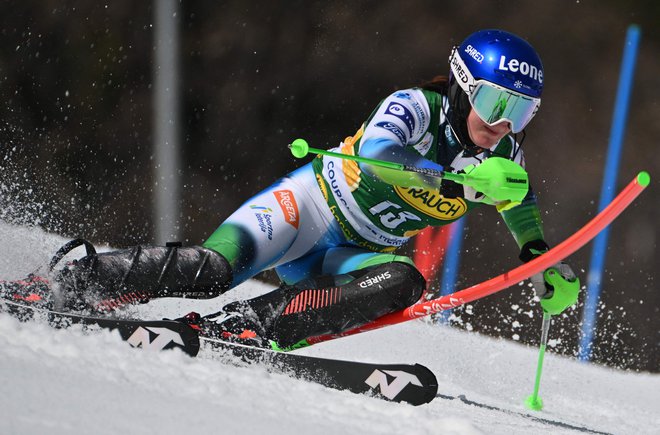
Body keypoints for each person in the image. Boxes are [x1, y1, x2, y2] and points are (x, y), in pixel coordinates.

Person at [6, 29, 580, 350]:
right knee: (211, 270)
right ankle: (64, 283)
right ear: (461, 87)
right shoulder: (416, 107)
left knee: (406, 278)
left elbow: (517, 199)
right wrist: (456, 179)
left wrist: (539, 257)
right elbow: (379, 157)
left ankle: (245, 328)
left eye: (522, 111)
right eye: (496, 103)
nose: (504, 123)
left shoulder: (503, 150)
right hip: (306, 208)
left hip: (344, 253)